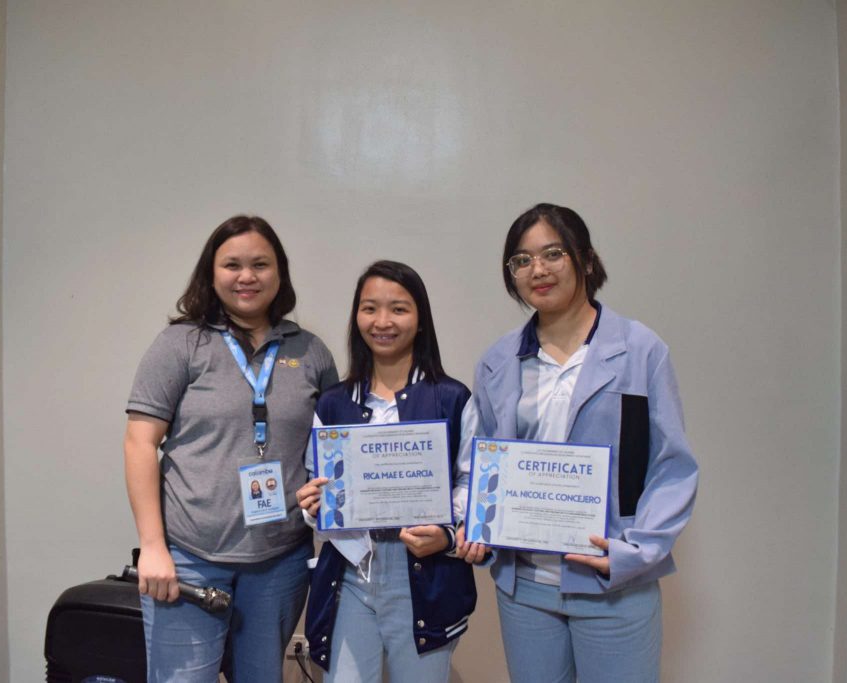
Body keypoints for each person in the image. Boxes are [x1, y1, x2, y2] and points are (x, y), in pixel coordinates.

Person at [455, 203, 698, 683]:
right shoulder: (499, 360)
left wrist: (633, 554)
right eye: (521, 260)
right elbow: (479, 462)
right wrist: (472, 521)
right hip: (525, 590)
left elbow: (673, 466)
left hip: (612, 586)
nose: (537, 270)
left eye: (552, 253)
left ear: (585, 260)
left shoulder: (640, 349)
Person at [124, 215, 338, 682]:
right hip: (189, 559)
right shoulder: (181, 344)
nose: (247, 276)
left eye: (260, 264)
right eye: (232, 265)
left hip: (279, 562)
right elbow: (140, 443)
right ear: (211, 272)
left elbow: (332, 449)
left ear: (279, 273)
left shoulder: (311, 351)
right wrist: (153, 546)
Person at [295, 261, 477, 682]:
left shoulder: (451, 398)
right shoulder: (334, 402)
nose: (382, 322)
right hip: (349, 569)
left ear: (420, 319)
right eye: (369, 308)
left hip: (421, 569)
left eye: (398, 309)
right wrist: (312, 504)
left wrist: (445, 532)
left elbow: (471, 481)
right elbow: (316, 484)